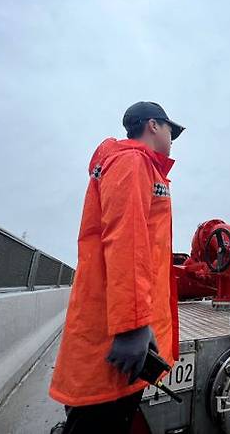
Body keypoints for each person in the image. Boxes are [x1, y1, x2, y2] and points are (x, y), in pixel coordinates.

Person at [48, 101, 185, 433]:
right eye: (170, 129)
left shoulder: (136, 166)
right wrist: (133, 326)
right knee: (99, 422)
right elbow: (127, 238)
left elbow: (138, 240)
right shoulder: (131, 161)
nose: (172, 137)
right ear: (153, 125)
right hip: (118, 339)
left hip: (117, 327)